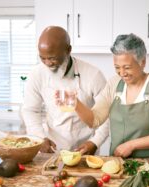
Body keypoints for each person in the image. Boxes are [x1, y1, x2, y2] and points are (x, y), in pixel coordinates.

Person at [69, 33, 149, 158]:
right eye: (117, 67)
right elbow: (94, 120)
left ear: (142, 62)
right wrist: (75, 103)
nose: (122, 73)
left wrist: (131, 145)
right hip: (119, 165)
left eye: (127, 67)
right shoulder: (114, 84)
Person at [22, 26, 109, 154]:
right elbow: (30, 110)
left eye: (52, 58)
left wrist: (95, 142)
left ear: (68, 50)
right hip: (52, 148)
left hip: (86, 147)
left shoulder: (93, 75)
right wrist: (40, 138)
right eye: (42, 58)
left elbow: (108, 114)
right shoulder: (36, 74)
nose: (47, 63)